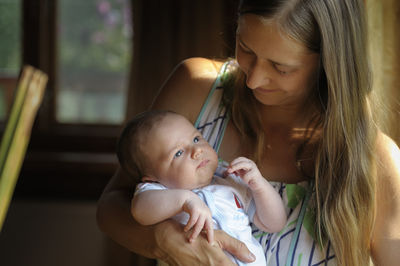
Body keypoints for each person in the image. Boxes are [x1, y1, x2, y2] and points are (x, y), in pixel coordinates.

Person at [97, 0, 400, 265]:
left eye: (281, 68)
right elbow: (112, 206)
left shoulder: (376, 162)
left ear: (328, 64)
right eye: (245, 48)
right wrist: (165, 238)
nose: (253, 79)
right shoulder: (195, 89)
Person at [117, 110, 287, 266]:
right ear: (152, 179)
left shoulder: (229, 180)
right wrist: (185, 200)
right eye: (178, 153)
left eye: (196, 139)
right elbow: (140, 211)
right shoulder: (161, 192)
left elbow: (274, 223)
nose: (197, 150)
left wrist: (259, 185)